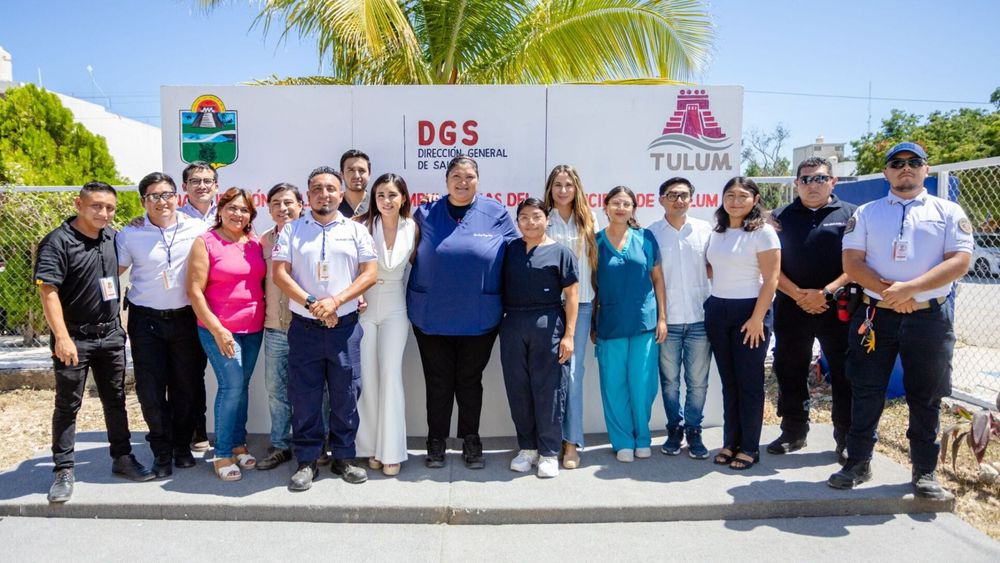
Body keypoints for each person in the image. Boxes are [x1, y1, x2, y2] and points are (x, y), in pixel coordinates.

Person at [828, 142, 973, 499]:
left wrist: (911, 289)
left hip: (929, 318)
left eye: (913, 162)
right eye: (897, 163)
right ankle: (858, 462)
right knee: (866, 389)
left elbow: (959, 261)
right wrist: (892, 293)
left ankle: (924, 471)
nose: (905, 168)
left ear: (926, 169)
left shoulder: (949, 211)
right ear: (886, 172)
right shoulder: (866, 213)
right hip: (877, 315)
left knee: (926, 395)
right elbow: (852, 263)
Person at [34, 182, 154, 503]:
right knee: (68, 404)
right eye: (96, 206)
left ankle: (123, 458)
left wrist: (138, 224)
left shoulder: (112, 238)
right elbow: (48, 292)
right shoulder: (57, 242)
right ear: (79, 204)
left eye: (110, 208)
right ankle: (63, 469)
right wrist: (62, 337)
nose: (104, 213)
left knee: (115, 399)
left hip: (110, 335)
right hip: (74, 338)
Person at [408, 156, 518, 469]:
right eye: (456, 176)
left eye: (469, 176)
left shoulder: (495, 212)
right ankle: (436, 440)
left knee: (470, 380)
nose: (462, 182)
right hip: (431, 315)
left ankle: (471, 438)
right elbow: (396, 244)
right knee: (439, 380)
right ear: (445, 181)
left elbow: (516, 254)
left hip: (479, 316)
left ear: (478, 180)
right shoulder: (425, 212)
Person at [273, 166, 377, 491]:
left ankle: (344, 457)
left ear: (341, 193)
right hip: (304, 326)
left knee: (346, 393)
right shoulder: (291, 230)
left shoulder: (357, 230)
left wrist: (335, 302)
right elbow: (280, 274)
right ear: (308, 194)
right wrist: (312, 304)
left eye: (331, 188)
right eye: (317, 189)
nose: (324, 194)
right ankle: (307, 460)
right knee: (304, 395)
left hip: (344, 326)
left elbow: (369, 273)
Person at [117, 172, 209, 478]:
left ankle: (182, 446)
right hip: (146, 322)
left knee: (186, 387)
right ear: (143, 201)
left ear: (177, 197)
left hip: (185, 319)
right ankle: (161, 451)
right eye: (154, 196)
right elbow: (113, 271)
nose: (162, 201)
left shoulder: (198, 228)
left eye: (167, 194)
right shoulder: (130, 234)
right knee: (151, 390)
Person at [768, 157, 856, 462]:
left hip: (839, 308)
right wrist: (798, 295)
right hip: (792, 307)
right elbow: (769, 265)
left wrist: (825, 293)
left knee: (845, 374)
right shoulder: (779, 217)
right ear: (796, 184)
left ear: (833, 182)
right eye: (805, 179)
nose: (812, 185)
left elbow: (860, 262)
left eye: (819, 179)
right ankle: (794, 431)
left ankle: (846, 436)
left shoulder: (852, 215)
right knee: (789, 369)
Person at [187, 188, 266, 481]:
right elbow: (194, 291)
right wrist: (219, 330)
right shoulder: (205, 242)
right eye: (232, 208)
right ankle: (221, 453)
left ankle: (237, 443)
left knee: (242, 386)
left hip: (253, 327)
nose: (238, 214)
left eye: (244, 210)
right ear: (220, 210)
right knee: (231, 386)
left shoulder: (254, 243)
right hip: (218, 328)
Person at [704, 177, 780, 471]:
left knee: (750, 383)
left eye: (742, 196)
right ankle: (730, 441)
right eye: (730, 195)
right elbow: (713, 267)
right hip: (718, 310)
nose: (735, 201)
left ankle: (749, 446)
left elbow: (772, 278)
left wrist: (757, 318)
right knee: (729, 383)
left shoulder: (764, 233)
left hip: (751, 312)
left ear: (755, 198)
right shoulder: (718, 232)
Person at [501, 198, 579, 478]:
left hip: (548, 323)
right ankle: (527, 449)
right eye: (524, 217)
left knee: (548, 389)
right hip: (512, 322)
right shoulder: (509, 250)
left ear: (547, 219)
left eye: (536, 217)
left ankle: (548, 452)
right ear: (517, 221)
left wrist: (569, 335)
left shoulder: (561, 252)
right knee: (518, 388)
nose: (530, 222)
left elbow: (572, 296)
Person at [593, 186, 667, 463]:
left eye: (627, 204)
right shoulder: (596, 242)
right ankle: (622, 440)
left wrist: (662, 317)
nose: (621, 208)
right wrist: (591, 325)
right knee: (614, 385)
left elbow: (658, 279)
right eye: (616, 203)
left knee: (643, 383)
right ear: (606, 207)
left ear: (634, 209)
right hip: (610, 324)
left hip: (644, 323)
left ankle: (642, 437)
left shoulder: (646, 238)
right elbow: (594, 287)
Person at [354, 173, 417, 477]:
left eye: (392, 195)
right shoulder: (362, 225)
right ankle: (368, 448)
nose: (386, 201)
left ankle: (391, 450)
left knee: (391, 375)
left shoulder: (414, 228)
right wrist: (354, 297)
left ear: (403, 197)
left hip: (395, 305)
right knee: (367, 376)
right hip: (364, 304)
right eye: (380, 195)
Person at [647, 177, 713, 459]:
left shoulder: (706, 230)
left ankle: (694, 430)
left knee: (698, 382)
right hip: (667, 321)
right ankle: (674, 428)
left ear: (692, 198)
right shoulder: (651, 234)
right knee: (670, 382)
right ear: (661, 200)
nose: (679, 200)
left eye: (684, 195)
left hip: (700, 318)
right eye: (672, 195)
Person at [542, 164, 598, 469]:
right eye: (557, 185)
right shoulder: (543, 220)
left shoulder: (588, 220)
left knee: (574, 377)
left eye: (568, 185)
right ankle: (546, 441)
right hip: (549, 308)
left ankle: (571, 442)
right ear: (550, 189)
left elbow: (595, 267)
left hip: (583, 306)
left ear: (576, 188)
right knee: (549, 378)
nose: (563, 190)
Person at [257, 183, 304, 471]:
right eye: (276, 203)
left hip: (309, 326)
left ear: (301, 205)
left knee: (316, 389)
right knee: (276, 390)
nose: (283, 208)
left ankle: (316, 442)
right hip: (275, 327)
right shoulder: (263, 240)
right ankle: (280, 445)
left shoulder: (313, 236)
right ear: (268, 207)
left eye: (289, 202)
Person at [178, 160, 219, 452]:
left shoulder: (231, 213)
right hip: (187, 307)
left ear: (216, 186)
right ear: (185, 187)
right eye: (195, 181)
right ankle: (197, 432)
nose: (202, 186)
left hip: (223, 307)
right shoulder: (172, 218)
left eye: (207, 181)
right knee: (190, 374)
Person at [339, 149, 371, 218]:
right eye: (350, 170)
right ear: (342, 174)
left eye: (361, 170)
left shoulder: (377, 204)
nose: (357, 176)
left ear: (369, 174)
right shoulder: (333, 205)